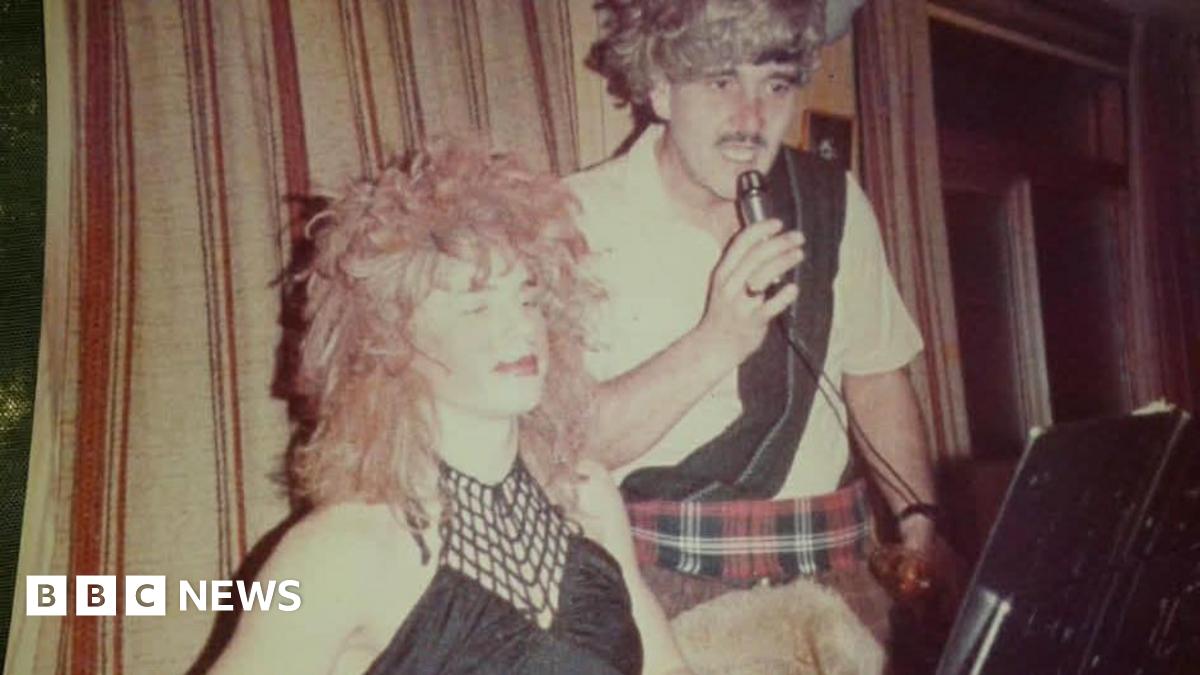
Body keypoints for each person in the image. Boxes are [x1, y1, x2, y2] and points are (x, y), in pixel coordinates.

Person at [209, 138, 691, 674]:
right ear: (390, 338)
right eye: (476, 306)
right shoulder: (341, 551)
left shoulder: (587, 497)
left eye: (528, 298)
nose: (520, 329)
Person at [568, 0, 941, 645]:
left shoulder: (832, 200)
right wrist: (716, 342)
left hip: (843, 578)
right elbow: (568, 445)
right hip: (671, 593)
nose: (751, 118)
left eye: (775, 85)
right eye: (721, 82)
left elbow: (876, 375)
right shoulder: (571, 218)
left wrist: (917, 515)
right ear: (659, 87)